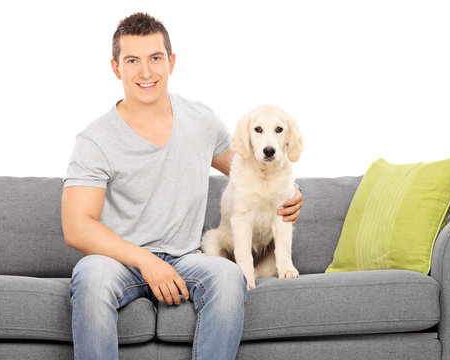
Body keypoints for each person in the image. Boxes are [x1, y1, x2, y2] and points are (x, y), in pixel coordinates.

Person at [61, 12, 303, 360]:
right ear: (116, 68)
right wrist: (146, 261)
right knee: (90, 277)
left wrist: (293, 194)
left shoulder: (201, 120)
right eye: (133, 60)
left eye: (155, 58)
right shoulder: (95, 139)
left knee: (227, 277)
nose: (146, 72)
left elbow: (251, 167)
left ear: (171, 62)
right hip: (118, 260)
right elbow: (76, 226)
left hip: (188, 257)